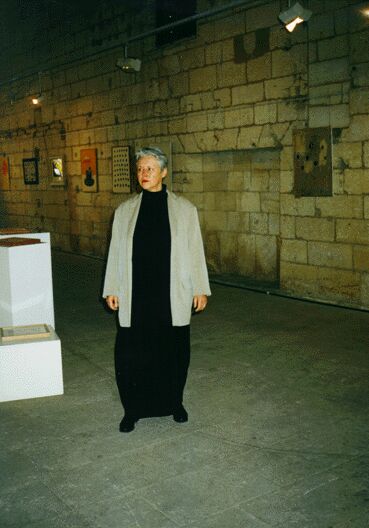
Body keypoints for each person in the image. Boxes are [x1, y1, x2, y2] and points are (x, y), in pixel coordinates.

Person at [103, 147, 211, 433]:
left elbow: (195, 250)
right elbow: (115, 252)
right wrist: (112, 286)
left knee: (173, 352)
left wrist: (200, 287)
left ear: (164, 172)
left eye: (150, 169)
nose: (144, 174)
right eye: (140, 169)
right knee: (131, 354)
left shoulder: (185, 210)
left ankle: (174, 403)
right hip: (136, 294)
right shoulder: (124, 211)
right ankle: (133, 410)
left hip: (171, 292)